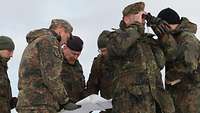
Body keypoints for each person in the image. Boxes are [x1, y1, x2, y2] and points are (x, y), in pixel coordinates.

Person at [107, 2, 175, 113]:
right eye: (139, 16)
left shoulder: (148, 40)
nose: (143, 20)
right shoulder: (115, 37)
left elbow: (172, 54)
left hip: (156, 104)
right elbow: (118, 48)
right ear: (126, 19)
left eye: (144, 17)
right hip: (131, 105)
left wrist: (162, 33)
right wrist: (136, 26)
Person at [16, 19, 80, 113]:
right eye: (68, 36)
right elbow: (51, 76)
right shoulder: (49, 41)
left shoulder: (36, 42)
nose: (66, 41)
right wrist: (65, 101)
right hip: (40, 104)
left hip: (29, 103)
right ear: (61, 30)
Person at [147, 8, 200, 113]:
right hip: (178, 94)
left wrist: (169, 77)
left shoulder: (187, 39)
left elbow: (188, 65)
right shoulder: (175, 37)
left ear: (168, 25)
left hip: (190, 98)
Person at [87, 31, 114, 113]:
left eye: (105, 50)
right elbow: (92, 88)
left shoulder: (124, 59)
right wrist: (87, 109)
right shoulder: (98, 62)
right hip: (107, 108)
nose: (103, 54)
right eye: (100, 51)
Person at [60, 35, 86, 103]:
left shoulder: (78, 66)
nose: (75, 57)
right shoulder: (55, 62)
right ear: (65, 48)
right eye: (73, 54)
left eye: (78, 55)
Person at [0, 36, 18, 113]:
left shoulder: (3, 68)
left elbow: (4, 101)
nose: (11, 55)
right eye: (9, 50)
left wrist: (20, 101)